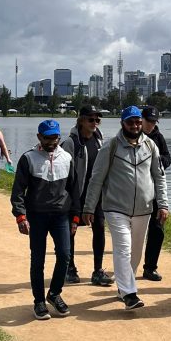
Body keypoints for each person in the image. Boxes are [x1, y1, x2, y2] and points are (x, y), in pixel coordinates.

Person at [82, 105, 169, 310]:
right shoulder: (111, 146)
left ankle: (123, 287)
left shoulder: (150, 146)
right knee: (123, 248)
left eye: (138, 121)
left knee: (136, 252)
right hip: (115, 207)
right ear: (123, 123)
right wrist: (88, 207)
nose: (135, 125)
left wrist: (163, 204)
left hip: (144, 209)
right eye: (130, 122)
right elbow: (96, 178)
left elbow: (159, 177)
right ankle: (130, 293)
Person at [11, 119, 80, 321]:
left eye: (55, 137)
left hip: (61, 215)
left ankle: (54, 293)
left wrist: (75, 216)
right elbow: (18, 191)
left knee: (65, 255)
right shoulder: (28, 158)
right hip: (37, 216)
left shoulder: (66, 158)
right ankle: (39, 301)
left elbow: (74, 189)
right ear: (39, 137)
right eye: (48, 137)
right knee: (38, 259)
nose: (52, 141)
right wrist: (20, 216)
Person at [61, 104, 113, 286]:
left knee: (99, 226)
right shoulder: (71, 142)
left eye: (97, 119)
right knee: (71, 230)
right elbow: (64, 169)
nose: (95, 123)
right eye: (91, 119)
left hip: (96, 193)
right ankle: (70, 267)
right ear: (81, 120)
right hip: (76, 193)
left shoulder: (99, 140)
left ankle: (98, 270)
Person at [140, 105, 171, 281]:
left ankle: (150, 267)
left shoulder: (159, 138)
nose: (151, 125)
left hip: (156, 190)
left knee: (157, 229)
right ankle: (126, 269)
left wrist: (159, 162)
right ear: (142, 119)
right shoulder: (133, 137)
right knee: (132, 233)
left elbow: (168, 157)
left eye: (154, 122)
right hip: (137, 192)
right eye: (148, 121)